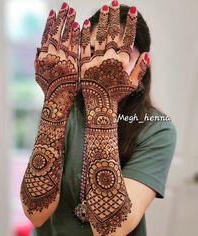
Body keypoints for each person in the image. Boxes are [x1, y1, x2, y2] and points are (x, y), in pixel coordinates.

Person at [20, 1, 177, 236]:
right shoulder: (64, 108)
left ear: (142, 66)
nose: (101, 65)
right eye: (93, 52)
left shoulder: (157, 129)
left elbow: (111, 230)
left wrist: (102, 103)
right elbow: (35, 212)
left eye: (118, 57)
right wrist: (54, 100)